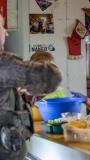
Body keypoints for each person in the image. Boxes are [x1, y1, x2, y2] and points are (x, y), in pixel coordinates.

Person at [0, 14, 62, 159]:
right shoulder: (4, 66)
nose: (6, 33)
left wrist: (23, 96)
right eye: (2, 26)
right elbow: (53, 77)